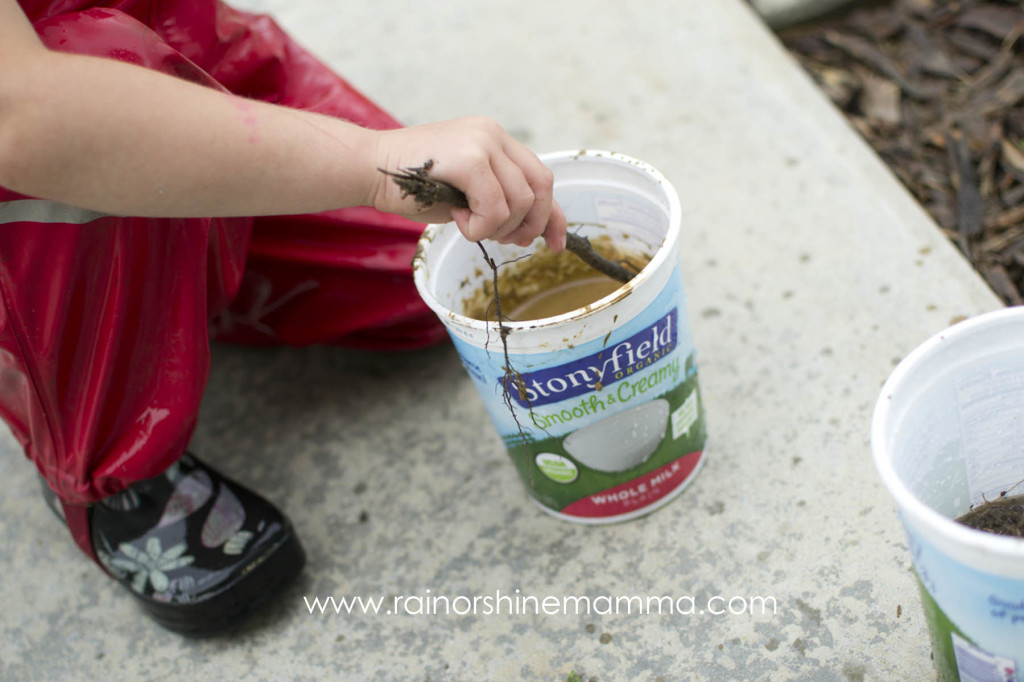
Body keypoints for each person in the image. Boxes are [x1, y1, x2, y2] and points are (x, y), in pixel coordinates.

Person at [0, 0, 566, 634]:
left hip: (162, 41)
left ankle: (180, 274)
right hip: (40, 133)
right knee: (88, 60)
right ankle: (103, 468)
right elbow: (18, 113)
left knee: (422, 270)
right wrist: (376, 166)